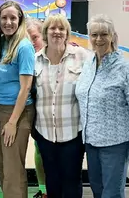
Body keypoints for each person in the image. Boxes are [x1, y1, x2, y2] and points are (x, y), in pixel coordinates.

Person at [33, 14, 88, 198]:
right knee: (52, 181)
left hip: (73, 133)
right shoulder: (35, 60)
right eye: (52, 28)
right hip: (45, 133)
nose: (57, 32)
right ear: (45, 33)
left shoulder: (82, 56)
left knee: (72, 181)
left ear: (67, 33)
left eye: (61, 29)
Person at [76, 14, 129, 198]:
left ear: (113, 36)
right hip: (90, 142)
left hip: (115, 143)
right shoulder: (88, 64)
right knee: (97, 190)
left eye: (104, 34)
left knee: (112, 193)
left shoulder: (124, 68)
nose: (98, 39)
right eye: (94, 34)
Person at [0, 1, 35, 198]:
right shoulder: (1, 43)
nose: (8, 22)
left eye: (13, 18)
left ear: (20, 20)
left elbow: (26, 87)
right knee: (3, 168)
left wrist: (12, 122)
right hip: (0, 110)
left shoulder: (24, 46)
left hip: (17, 112)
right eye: (4, 18)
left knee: (13, 172)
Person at [26, 18, 47, 198]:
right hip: (35, 115)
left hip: (57, 117)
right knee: (39, 149)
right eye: (28, 38)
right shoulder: (27, 59)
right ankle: (44, 190)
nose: (32, 42)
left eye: (35, 37)